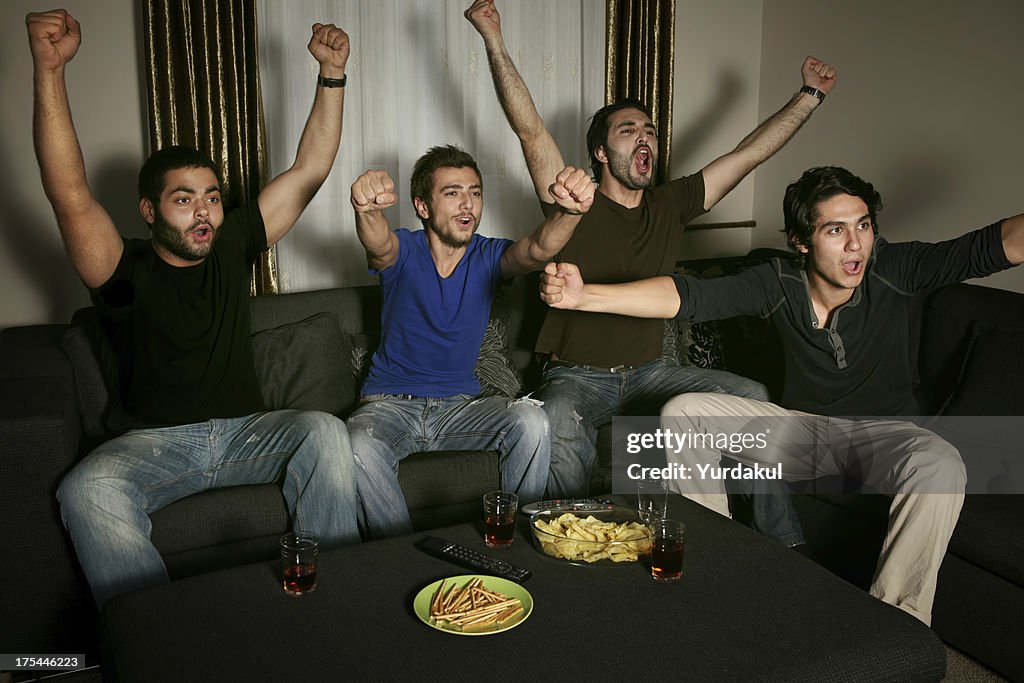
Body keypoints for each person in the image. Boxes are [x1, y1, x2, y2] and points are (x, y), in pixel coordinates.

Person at [540, 165, 1024, 624]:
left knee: (940, 461)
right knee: (685, 410)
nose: (856, 244)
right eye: (835, 230)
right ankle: (713, 570)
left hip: (885, 436)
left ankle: (895, 624)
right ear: (801, 242)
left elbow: (989, 247)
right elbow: (688, 298)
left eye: (863, 225)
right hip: (802, 433)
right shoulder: (777, 283)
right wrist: (584, 296)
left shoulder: (894, 267)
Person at [28, 9, 360, 608]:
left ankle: (332, 605)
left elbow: (310, 170)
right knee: (86, 489)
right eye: (184, 200)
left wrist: (332, 74)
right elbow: (68, 192)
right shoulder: (120, 270)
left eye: (211, 197)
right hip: (155, 446)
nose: (204, 212)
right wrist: (49, 69)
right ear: (150, 211)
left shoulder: (232, 245)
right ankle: (161, 633)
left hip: (245, 435)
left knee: (325, 431)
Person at [465, 0, 836, 508]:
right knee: (556, 424)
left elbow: (749, 154)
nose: (644, 137)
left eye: (650, 131)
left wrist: (809, 97)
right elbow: (529, 129)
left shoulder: (671, 204)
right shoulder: (574, 199)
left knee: (752, 397)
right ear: (601, 153)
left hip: (650, 371)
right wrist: (494, 40)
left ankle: (779, 545)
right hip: (574, 376)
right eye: (628, 130)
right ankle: (577, 546)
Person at [346, 145, 594, 538]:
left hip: (461, 408)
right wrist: (367, 210)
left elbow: (536, 249)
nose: (468, 204)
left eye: (475, 192)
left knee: (531, 420)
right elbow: (378, 244)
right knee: (357, 444)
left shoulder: (488, 255)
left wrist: (571, 212)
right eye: (452, 192)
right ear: (422, 206)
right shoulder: (404, 250)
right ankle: (399, 554)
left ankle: (513, 538)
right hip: (390, 406)